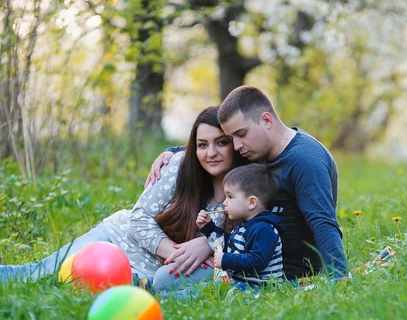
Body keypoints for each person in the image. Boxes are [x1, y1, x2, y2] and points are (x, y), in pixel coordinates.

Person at [0, 106, 247, 288]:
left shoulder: (245, 192)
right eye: (202, 144)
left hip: (149, 275)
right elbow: (138, 219)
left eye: (221, 143)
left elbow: (243, 240)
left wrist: (206, 246)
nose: (211, 153)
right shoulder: (179, 168)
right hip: (116, 239)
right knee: (38, 274)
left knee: (79, 288)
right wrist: (177, 254)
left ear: (234, 143)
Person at [147, 85, 348, 281]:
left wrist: (339, 277)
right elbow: (208, 149)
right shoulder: (256, 148)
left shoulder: (305, 160)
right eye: (231, 138)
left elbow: (322, 221)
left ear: (266, 120)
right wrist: (172, 152)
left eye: (241, 134)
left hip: (274, 273)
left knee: (166, 279)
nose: (236, 146)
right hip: (239, 253)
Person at [197, 164, 284, 291]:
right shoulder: (244, 225)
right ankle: (164, 295)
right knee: (205, 288)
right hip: (241, 284)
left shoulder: (264, 229)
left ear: (251, 202)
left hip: (260, 288)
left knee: (211, 291)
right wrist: (208, 227)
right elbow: (225, 243)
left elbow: (257, 261)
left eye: (230, 197)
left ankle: (169, 297)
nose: (225, 202)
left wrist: (225, 259)